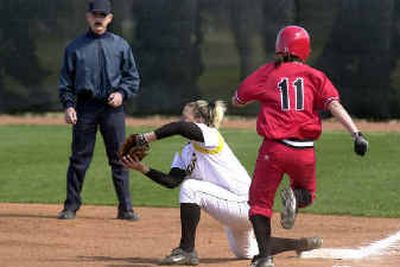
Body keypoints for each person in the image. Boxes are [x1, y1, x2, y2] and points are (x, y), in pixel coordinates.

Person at [121, 100, 322, 266]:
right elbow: (171, 181)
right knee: (245, 252)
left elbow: (180, 128)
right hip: (232, 209)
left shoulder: (210, 135)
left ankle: (186, 250)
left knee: (191, 188)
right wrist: (142, 168)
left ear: (199, 120)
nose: (181, 120)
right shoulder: (184, 152)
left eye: (186, 116)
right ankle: (298, 244)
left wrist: (145, 137)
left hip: (246, 204)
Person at [232, 25, 369, 267]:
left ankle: (264, 257)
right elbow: (334, 105)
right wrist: (356, 134)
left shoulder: (268, 72)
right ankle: (295, 196)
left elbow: (239, 99)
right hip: (304, 150)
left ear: (279, 48)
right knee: (307, 195)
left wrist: (245, 98)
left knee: (259, 203)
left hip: (274, 149)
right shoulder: (315, 76)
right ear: (304, 49)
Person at [57, 0, 140, 221]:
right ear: (88, 17)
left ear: (110, 18)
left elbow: (132, 77)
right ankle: (71, 206)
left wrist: (122, 93)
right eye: (95, 15)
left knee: (120, 157)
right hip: (85, 107)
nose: (99, 19)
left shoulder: (120, 45)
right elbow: (66, 81)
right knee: (79, 158)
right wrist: (69, 105)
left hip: (113, 109)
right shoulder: (74, 48)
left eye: (103, 15)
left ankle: (126, 208)